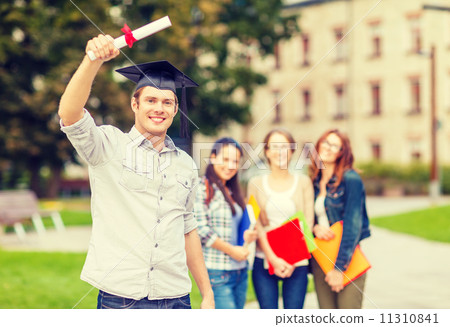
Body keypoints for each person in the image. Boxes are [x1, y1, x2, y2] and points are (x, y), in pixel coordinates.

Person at [58, 34, 214, 309]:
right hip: (121, 300)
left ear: (176, 109)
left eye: (167, 102)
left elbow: (188, 229)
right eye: (151, 100)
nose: (159, 108)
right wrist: (92, 60)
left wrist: (207, 293)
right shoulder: (107, 146)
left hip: (176, 299)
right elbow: (70, 114)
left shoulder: (186, 165)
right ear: (135, 104)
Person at [247, 128, 314, 309]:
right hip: (264, 260)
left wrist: (290, 258)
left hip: (297, 262)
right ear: (267, 151)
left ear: (292, 151)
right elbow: (255, 222)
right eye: (274, 147)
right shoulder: (255, 184)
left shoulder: (304, 183)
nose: (280, 152)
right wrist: (273, 258)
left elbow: (307, 223)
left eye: (284, 146)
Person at [309, 129, 371, 309]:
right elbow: (307, 217)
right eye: (326, 142)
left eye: (335, 145)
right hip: (320, 259)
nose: (328, 148)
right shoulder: (314, 181)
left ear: (342, 153)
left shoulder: (351, 179)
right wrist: (314, 228)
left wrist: (339, 268)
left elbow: (353, 225)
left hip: (346, 259)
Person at [194, 137, 257, 309]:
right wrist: (231, 251)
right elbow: (201, 230)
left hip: (240, 271)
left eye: (235, 161)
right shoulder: (201, 187)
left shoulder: (232, 190)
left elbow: (235, 229)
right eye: (226, 159)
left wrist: (248, 235)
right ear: (213, 157)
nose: (231, 166)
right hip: (217, 272)